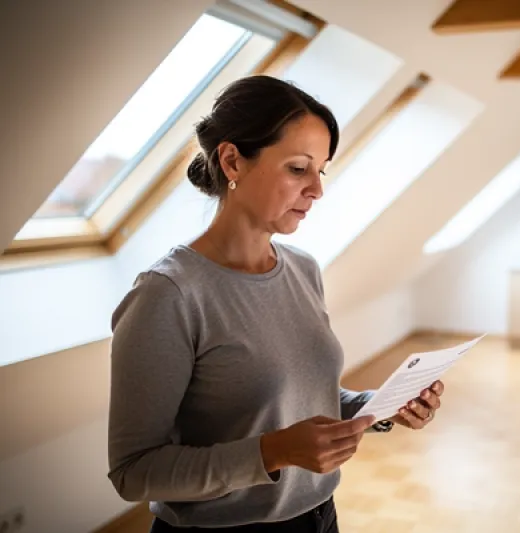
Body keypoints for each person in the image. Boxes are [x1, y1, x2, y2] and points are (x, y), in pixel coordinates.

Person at [106, 75, 445, 533]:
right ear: (232, 161)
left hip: (320, 518)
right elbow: (134, 472)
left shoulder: (303, 269)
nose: (317, 190)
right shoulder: (168, 295)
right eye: (297, 168)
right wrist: (273, 452)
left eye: (320, 170)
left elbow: (298, 400)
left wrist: (378, 406)